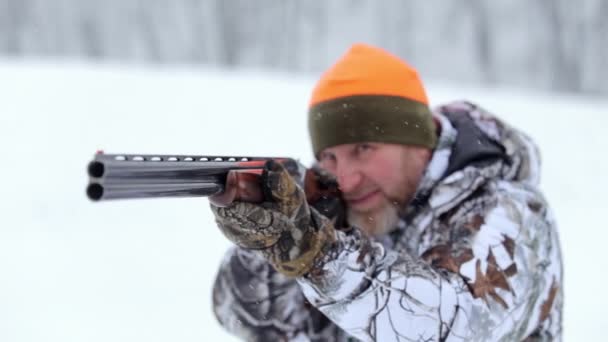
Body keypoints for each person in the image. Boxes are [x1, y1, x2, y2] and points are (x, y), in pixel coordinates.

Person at [209, 43, 563, 341]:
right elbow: (243, 317)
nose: (345, 179)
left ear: (420, 144)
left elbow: (456, 325)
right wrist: (273, 241)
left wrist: (316, 253)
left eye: (363, 148)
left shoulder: (508, 209)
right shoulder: (349, 211)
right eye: (329, 157)